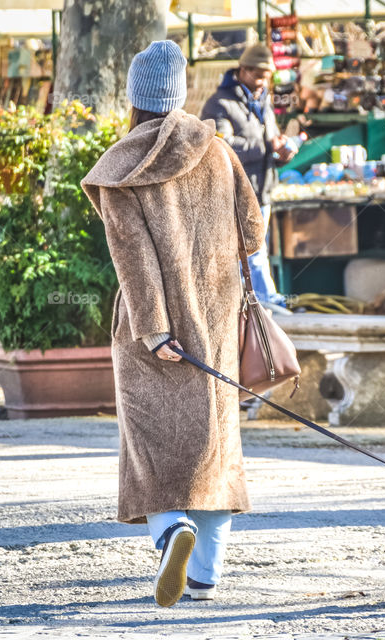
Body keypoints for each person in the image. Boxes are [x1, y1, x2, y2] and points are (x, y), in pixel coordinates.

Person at [80, 40, 266, 608]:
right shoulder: (220, 152)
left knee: (152, 447)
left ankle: (170, 531)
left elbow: (133, 259)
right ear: (181, 93)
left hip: (151, 335)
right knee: (213, 450)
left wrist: (156, 330)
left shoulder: (121, 166)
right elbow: (253, 235)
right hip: (215, 328)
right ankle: (205, 576)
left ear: (136, 99)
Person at [200, 42, 293, 309]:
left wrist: (281, 151)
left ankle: (258, 305)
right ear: (243, 70)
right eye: (259, 76)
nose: (264, 83)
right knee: (251, 251)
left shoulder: (264, 102)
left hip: (262, 188)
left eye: (268, 77)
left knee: (256, 249)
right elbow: (221, 147)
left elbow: (270, 139)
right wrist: (265, 147)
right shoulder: (219, 104)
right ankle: (265, 305)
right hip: (236, 193)